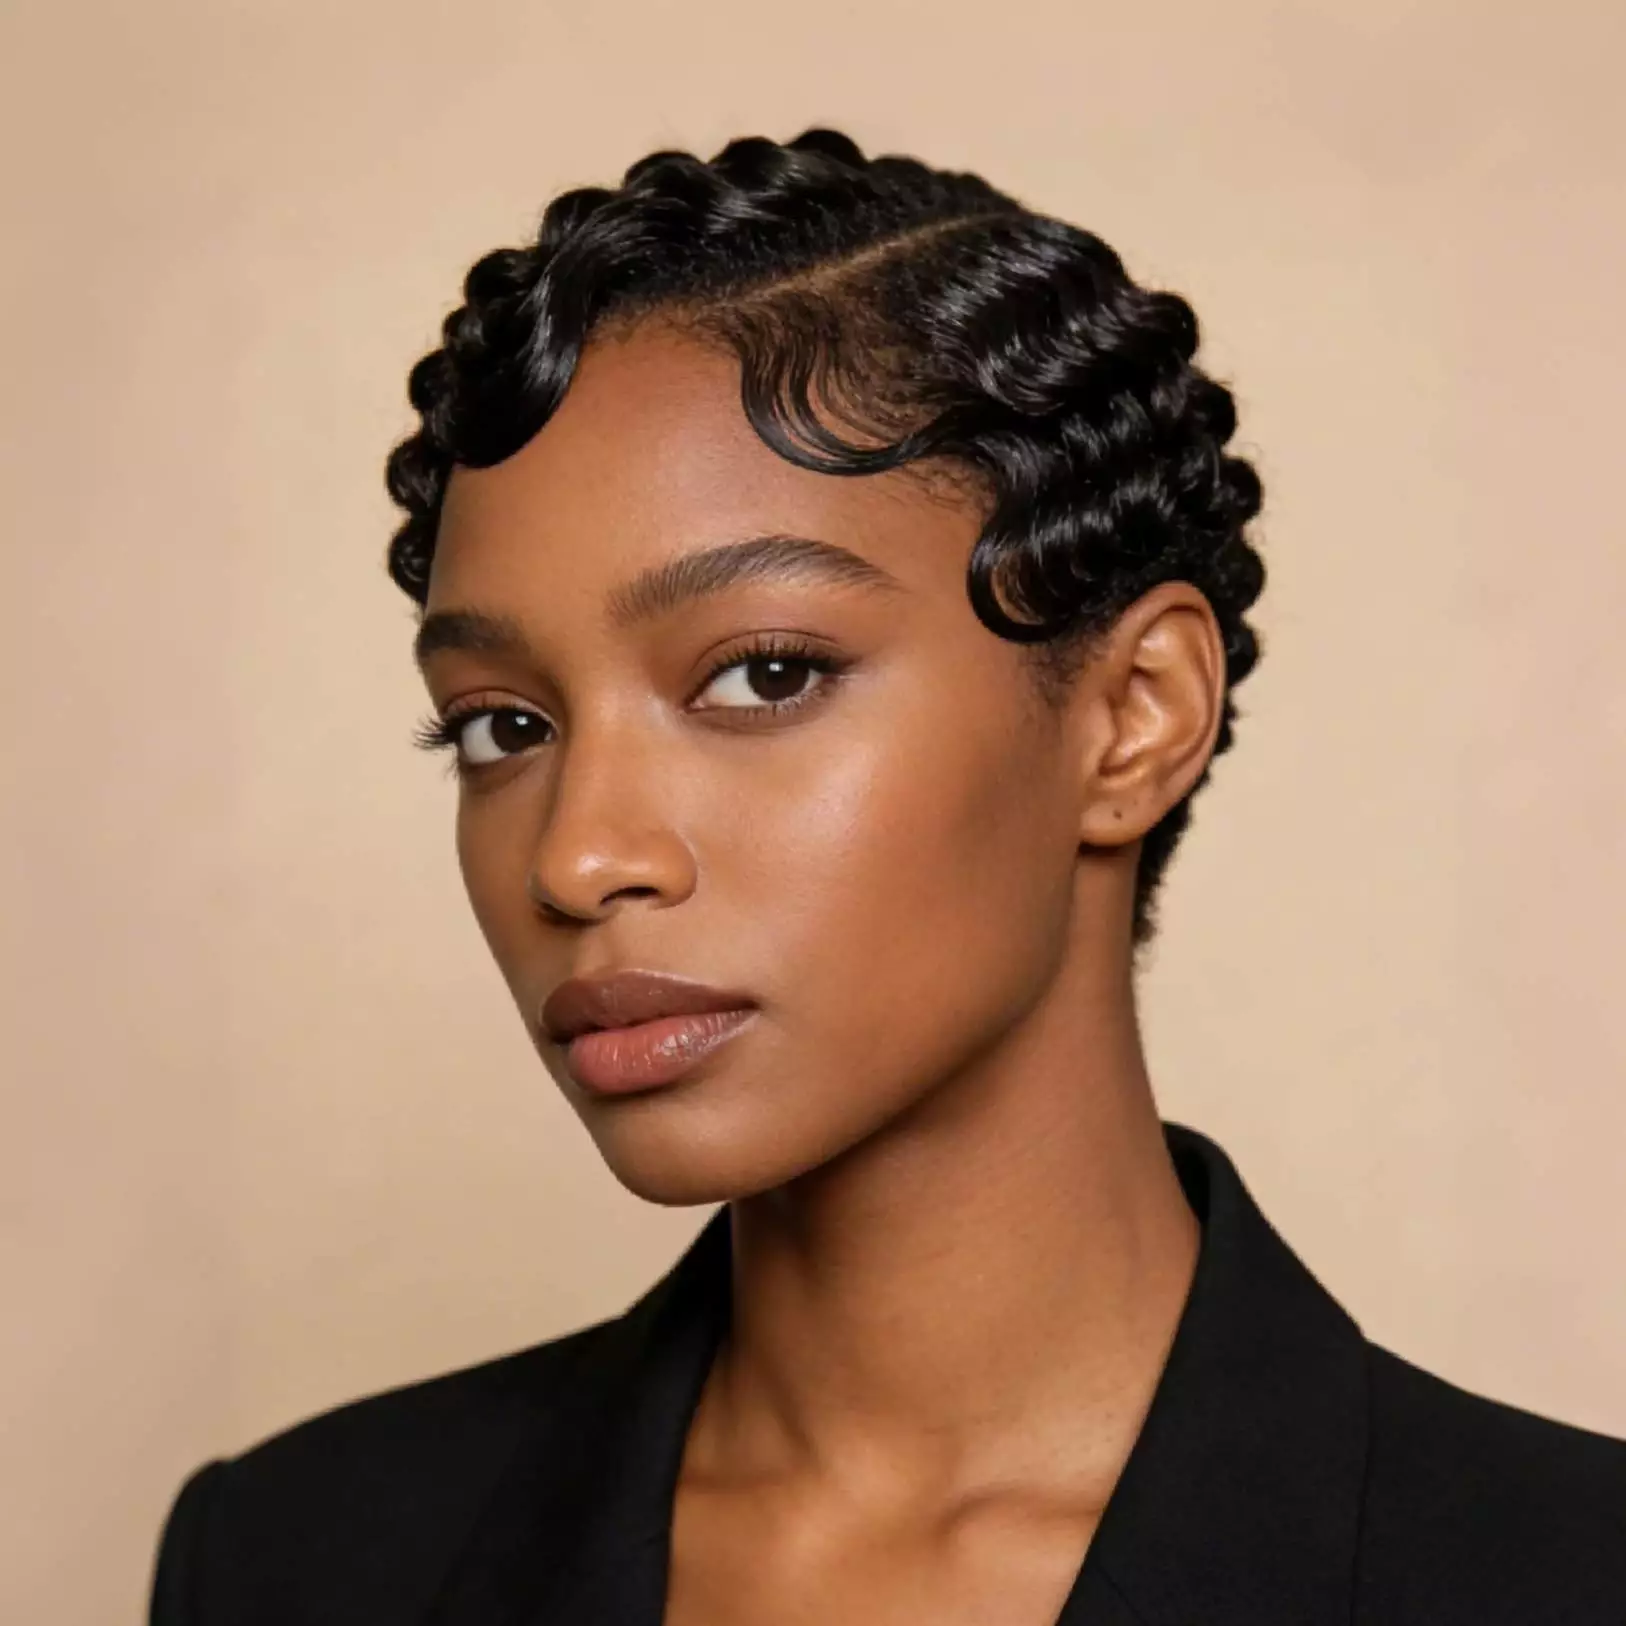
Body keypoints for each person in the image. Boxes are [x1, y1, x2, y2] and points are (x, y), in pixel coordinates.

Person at [148, 127, 1626, 1624]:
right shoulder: (289, 1563)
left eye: (764, 673)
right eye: (502, 725)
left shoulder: (1565, 1575)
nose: (578, 854)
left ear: (1133, 717)